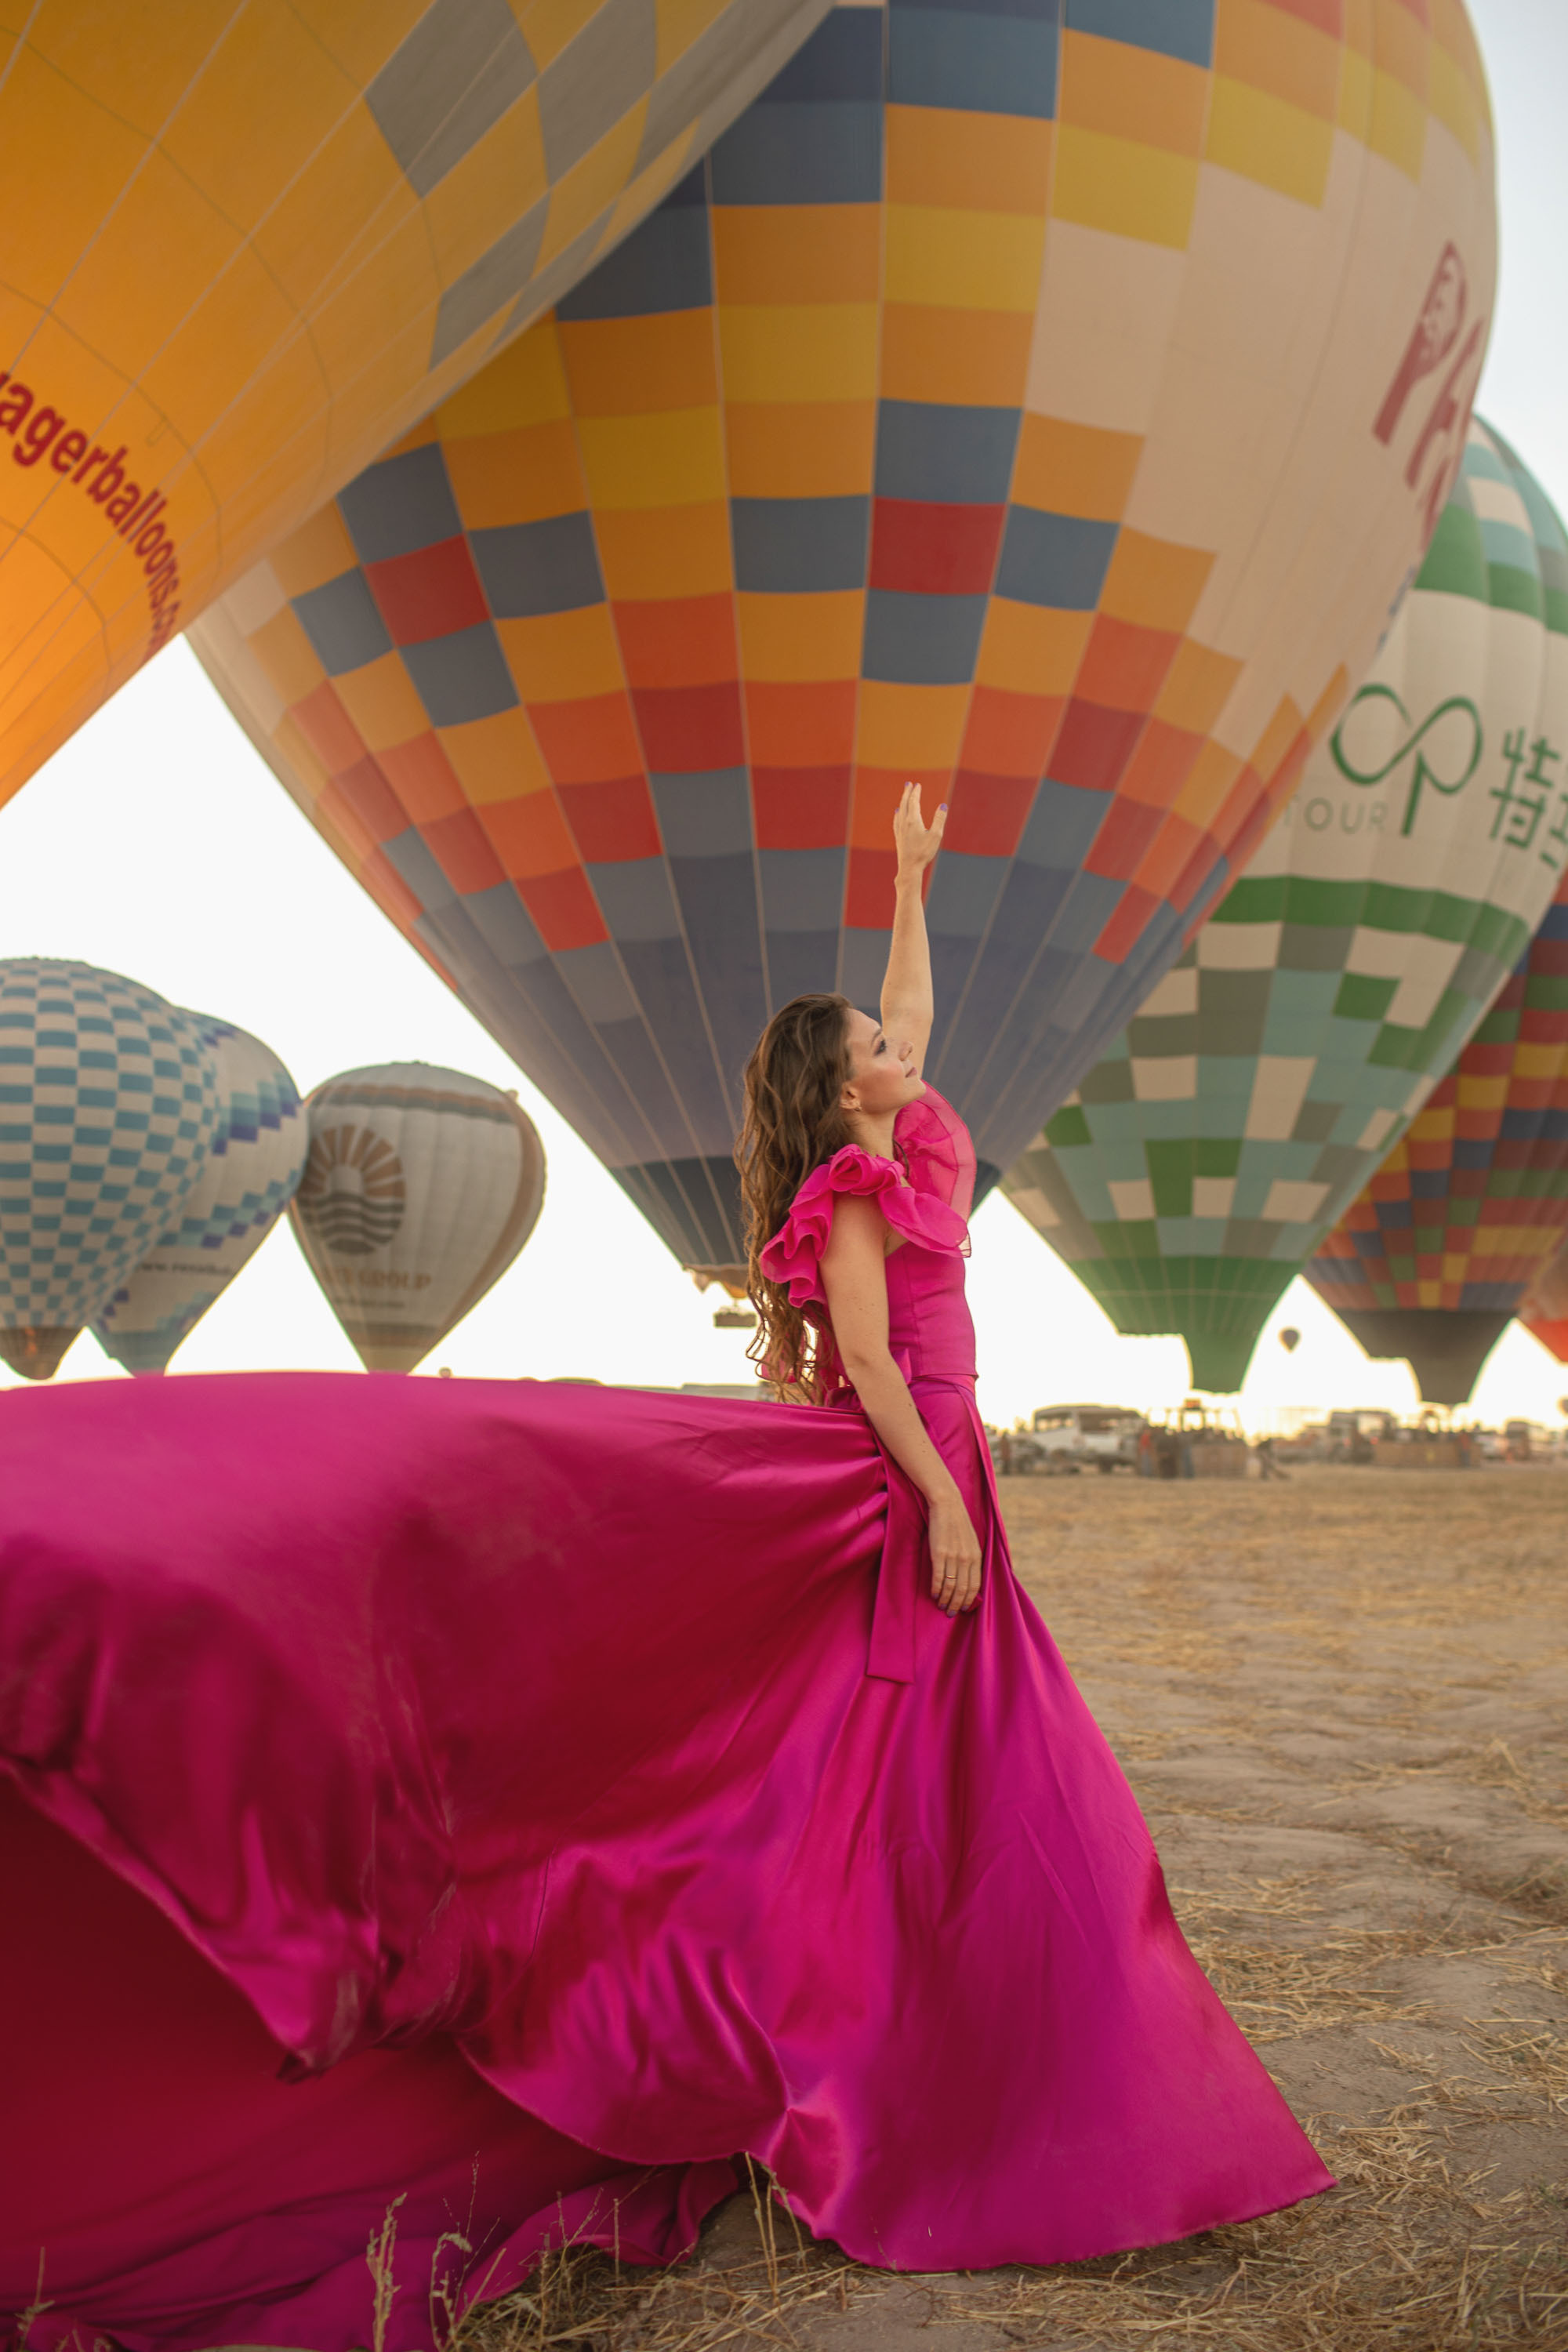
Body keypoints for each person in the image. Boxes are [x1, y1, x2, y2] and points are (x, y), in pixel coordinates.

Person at [0, 790, 1330, 2352]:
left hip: (946, 1461)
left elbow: (911, 1011)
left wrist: (908, 879)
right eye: (877, 1049)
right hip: (908, 1464)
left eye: (892, 1042)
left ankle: (958, 2039)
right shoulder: (854, 1196)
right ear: (841, 1093)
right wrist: (942, 1505)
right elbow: (869, 1365)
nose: (904, 1049)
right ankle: (924, 2058)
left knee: (931, 1759)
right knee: (967, 1762)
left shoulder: (908, 1139)